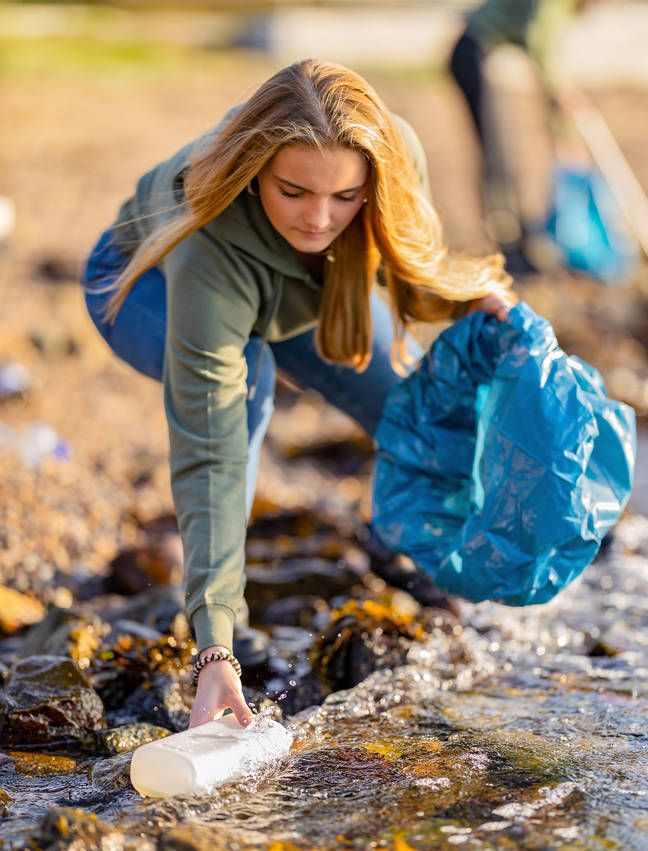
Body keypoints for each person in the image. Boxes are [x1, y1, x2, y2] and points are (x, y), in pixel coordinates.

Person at [82, 58, 512, 730]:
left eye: (345, 197)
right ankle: (226, 614)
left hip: (304, 289)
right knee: (249, 382)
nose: (318, 219)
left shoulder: (391, 153)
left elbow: (406, 261)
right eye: (294, 191)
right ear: (258, 170)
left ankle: (407, 548)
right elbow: (212, 451)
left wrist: (469, 301)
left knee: (415, 408)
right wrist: (214, 646)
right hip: (144, 282)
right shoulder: (208, 244)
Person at [449, 0, 586, 273]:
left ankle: (518, 238)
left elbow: (544, 48)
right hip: (472, 53)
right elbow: (541, 43)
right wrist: (560, 90)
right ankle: (508, 244)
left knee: (508, 152)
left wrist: (562, 130)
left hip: (481, 54)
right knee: (498, 155)